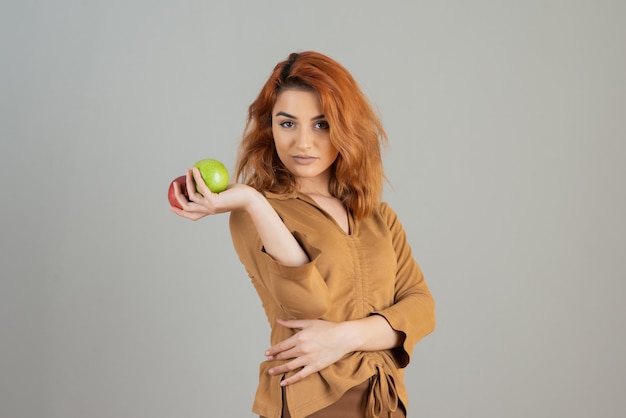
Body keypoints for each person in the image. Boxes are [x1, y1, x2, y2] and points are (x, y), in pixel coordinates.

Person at [170, 51, 435, 418]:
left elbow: (421, 308)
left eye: (321, 124)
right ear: (270, 127)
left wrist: (344, 337)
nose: (303, 143)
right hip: (311, 404)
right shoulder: (256, 214)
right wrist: (251, 199)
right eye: (288, 124)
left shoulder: (378, 217)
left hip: (383, 404)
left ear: (346, 126)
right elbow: (309, 305)